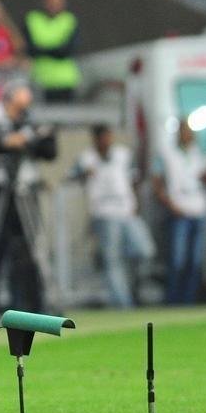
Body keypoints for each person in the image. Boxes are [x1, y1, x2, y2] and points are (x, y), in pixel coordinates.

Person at [0, 80, 57, 322]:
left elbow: (49, 148)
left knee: (34, 249)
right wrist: (15, 140)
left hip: (25, 192)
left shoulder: (29, 119)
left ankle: (37, 304)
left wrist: (24, 138)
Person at [71, 124, 155, 308]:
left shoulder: (122, 154)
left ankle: (133, 287)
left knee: (144, 250)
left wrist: (136, 203)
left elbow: (135, 179)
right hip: (103, 212)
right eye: (102, 137)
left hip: (126, 210)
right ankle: (123, 303)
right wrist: (83, 174)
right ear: (95, 139)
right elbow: (71, 176)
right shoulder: (87, 158)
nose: (106, 141)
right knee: (112, 261)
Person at [152, 122, 206, 304]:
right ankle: (173, 299)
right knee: (177, 259)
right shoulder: (167, 154)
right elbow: (157, 181)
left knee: (195, 260)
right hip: (178, 210)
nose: (188, 135)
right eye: (185, 131)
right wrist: (168, 203)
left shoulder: (198, 153)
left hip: (198, 209)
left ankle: (188, 300)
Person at [25, 0, 80, 103]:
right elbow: (29, 49)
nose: (54, 4)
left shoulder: (69, 20)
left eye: (58, 0)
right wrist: (55, 49)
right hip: (39, 80)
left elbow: (66, 51)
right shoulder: (33, 19)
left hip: (65, 81)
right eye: (51, 0)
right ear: (44, 0)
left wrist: (42, 49)